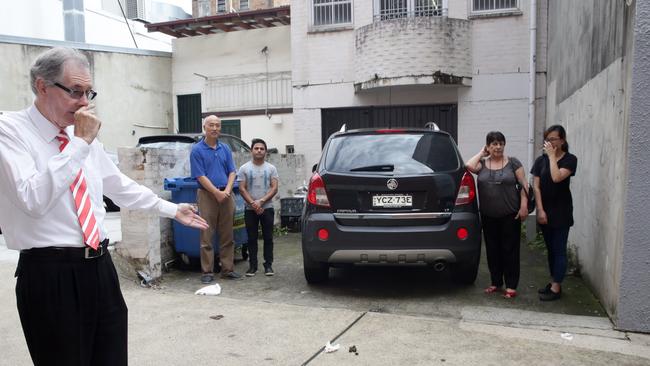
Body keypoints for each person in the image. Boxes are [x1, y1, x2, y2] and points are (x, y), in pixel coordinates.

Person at [0, 47, 208, 366]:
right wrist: (80, 144)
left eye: (89, 92)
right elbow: (32, 198)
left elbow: (118, 185)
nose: (85, 102)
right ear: (42, 86)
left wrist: (170, 209)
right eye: (75, 91)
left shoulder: (80, 136)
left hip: (99, 267)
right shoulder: (11, 131)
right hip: (50, 274)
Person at [466, 131, 528, 299]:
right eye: (494, 144)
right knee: (493, 250)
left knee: (510, 250)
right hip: (488, 215)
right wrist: (481, 153)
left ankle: (511, 286)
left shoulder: (513, 163)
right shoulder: (483, 165)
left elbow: (524, 185)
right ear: (488, 146)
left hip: (510, 214)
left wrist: (524, 206)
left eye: (500, 143)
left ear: (504, 145)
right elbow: (469, 166)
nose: (498, 146)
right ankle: (496, 283)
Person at [190, 115, 242, 283]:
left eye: (217, 125)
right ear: (204, 127)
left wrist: (226, 190)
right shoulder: (197, 150)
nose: (214, 128)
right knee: (206, 234)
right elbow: (200, 176)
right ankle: (207, 272)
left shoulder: (225, 148)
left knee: (228, 234)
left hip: (226, 195)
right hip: (207, 196)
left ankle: (227, 269)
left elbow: (232, 171)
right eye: (211, 125)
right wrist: (216, 193)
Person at [531, 124, 577, 301]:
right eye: (547, 139)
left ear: (562, 140)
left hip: (562, 211)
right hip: (545, 210)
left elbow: (557, 178)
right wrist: (540, 210)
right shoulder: (540, 160)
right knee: (550, 250)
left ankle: (557, 287)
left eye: (553, 139)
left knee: (559, 250)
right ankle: (554, 281)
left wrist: (552, 157)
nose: (549, 143)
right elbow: (536, 186)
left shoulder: (570, 159)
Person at [237, 138, 279, 277]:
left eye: (262, 148)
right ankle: (252, 267)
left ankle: (268, 266)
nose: (259, 150)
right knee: (251, 238)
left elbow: (274, 188)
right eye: (256, 148)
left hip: (267, 208)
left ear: (265, 151)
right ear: (251, 150)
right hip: (250, 209)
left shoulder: (271, 168)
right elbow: (242, 189)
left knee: (268, 238)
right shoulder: (244, 168)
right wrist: (253, 204)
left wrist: (261, 202)